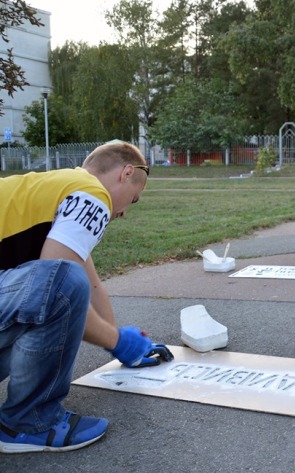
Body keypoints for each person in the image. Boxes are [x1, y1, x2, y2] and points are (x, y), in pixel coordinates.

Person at [0, 141, 174, 454]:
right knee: (62, 281)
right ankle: (28, 422)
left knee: (63, 282)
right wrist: (117, 340)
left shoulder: (56, 191)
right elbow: (61, 286)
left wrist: (121, 344)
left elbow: (91, 285)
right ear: (126, 173)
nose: (121, 213)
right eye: (132, 199)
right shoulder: (92, 193)